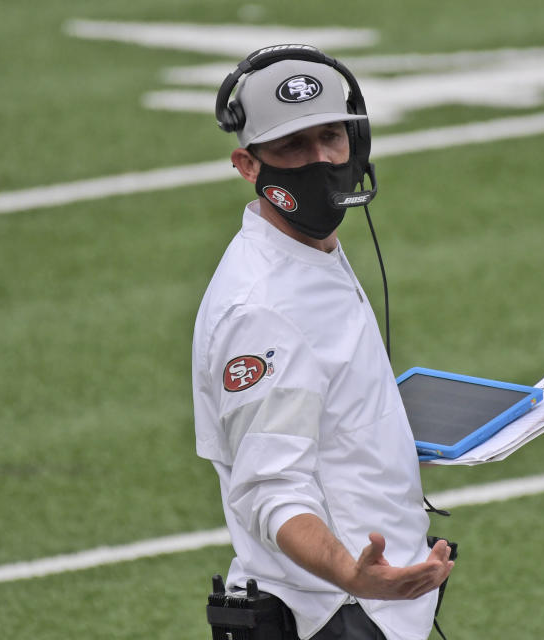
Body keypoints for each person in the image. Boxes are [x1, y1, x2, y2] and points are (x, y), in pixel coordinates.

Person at [192, 48, 453, 640]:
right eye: (291, 147)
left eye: (330, 137)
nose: (319, 161)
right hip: (334, 616)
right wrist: (353, 576)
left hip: (371, 607)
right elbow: (270, 490)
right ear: (247, 164)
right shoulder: (262, 309)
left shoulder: (310, 249)